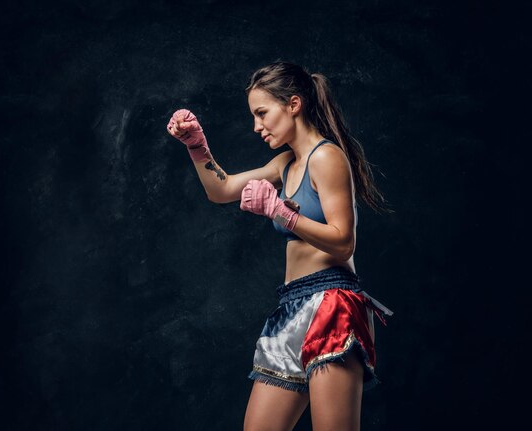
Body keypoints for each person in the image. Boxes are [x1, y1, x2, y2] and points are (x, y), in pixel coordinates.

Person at [166, 61, 393, 431]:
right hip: (290, 307)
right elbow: (221, 189)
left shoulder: (326, 157)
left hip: (331, 304)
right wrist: (197, 146)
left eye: (262, 113)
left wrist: (282, 214)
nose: (256, 126)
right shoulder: (286, 163)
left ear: (293, 104)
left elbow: (343, 241)